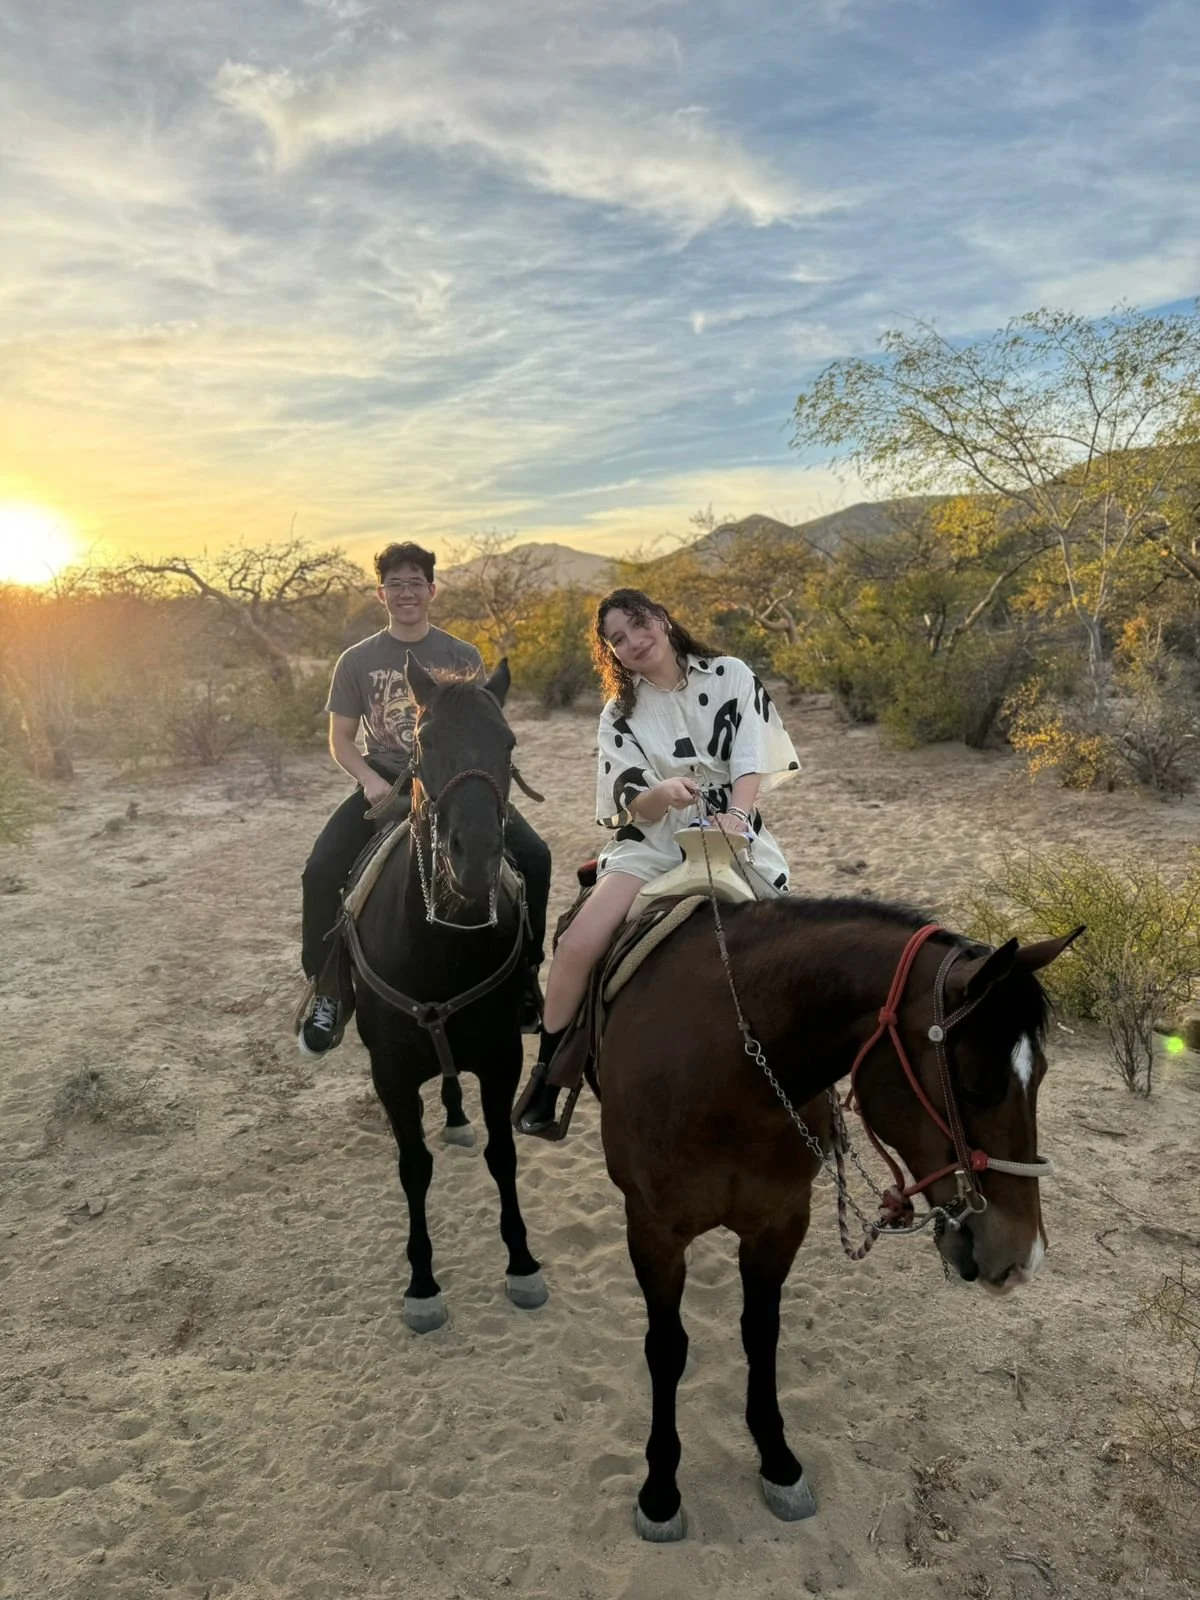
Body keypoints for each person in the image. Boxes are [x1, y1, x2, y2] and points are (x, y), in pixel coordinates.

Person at [517, 586, 801, 1133]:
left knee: (793, 946)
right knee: (578, 945)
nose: (634, 641)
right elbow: (627, 806)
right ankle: (549, 1077)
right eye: (617, 639)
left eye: (639, 624)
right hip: (651, 842)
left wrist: (737, 819)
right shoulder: (618, 715)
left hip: (733, 829)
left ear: (663, 619)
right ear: (612, 654)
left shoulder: (730, 674)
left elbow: (750, 758)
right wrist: (661, 794)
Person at [296, 540, 552, 1056]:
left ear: (432, 590)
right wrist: (369, 780)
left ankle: (524, 973)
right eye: (396, 584)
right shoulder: (357, 660)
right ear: (381, 594)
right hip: (386, 780)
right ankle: (329, 988)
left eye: (416, 583)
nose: (406, 592)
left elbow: (479, 727)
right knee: (321, 871)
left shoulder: (462, 654)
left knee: (535, 857)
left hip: (456, 783)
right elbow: (341, 738)